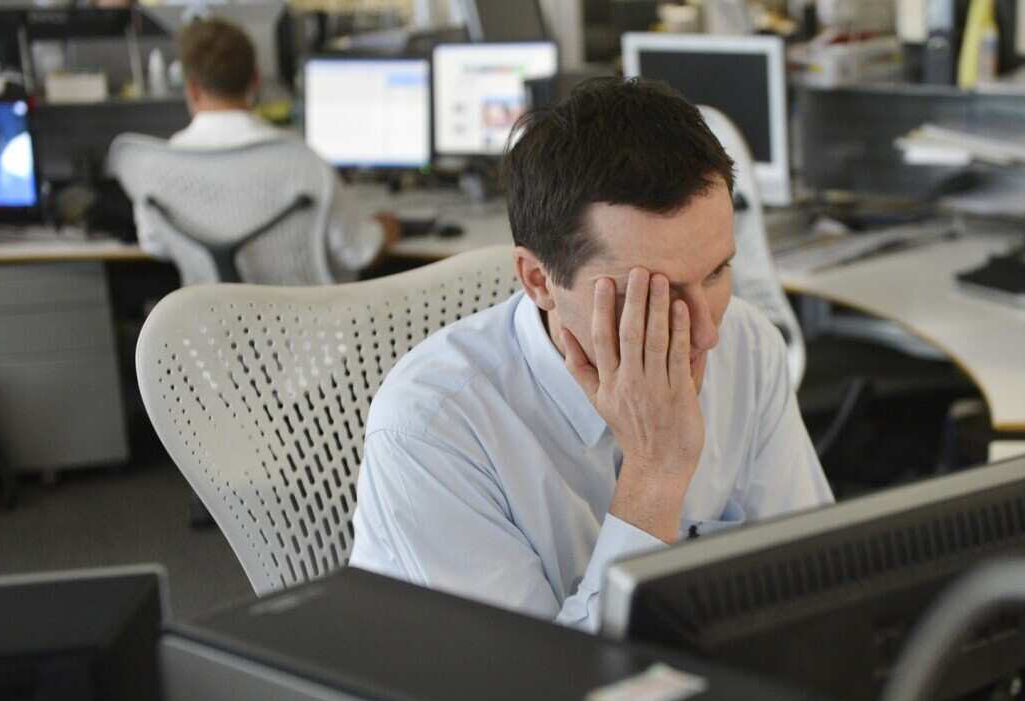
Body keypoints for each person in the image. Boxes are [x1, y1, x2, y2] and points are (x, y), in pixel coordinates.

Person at [349, 78, 834, 633]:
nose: (705, 333)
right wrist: (657, 473)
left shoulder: (748, 344)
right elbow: (542, 694)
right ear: (539, 281)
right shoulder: (433, 426)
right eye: (655, 295)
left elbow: (813, 584)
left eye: (718, 272)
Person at [133, 18, 400, 281]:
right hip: (309, 323)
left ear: (191, 88)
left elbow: (154, 245)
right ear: (256, 81)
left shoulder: (159, 167)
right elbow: (360, 251)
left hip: (213, 323)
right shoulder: (300, 160)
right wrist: (387, 226)